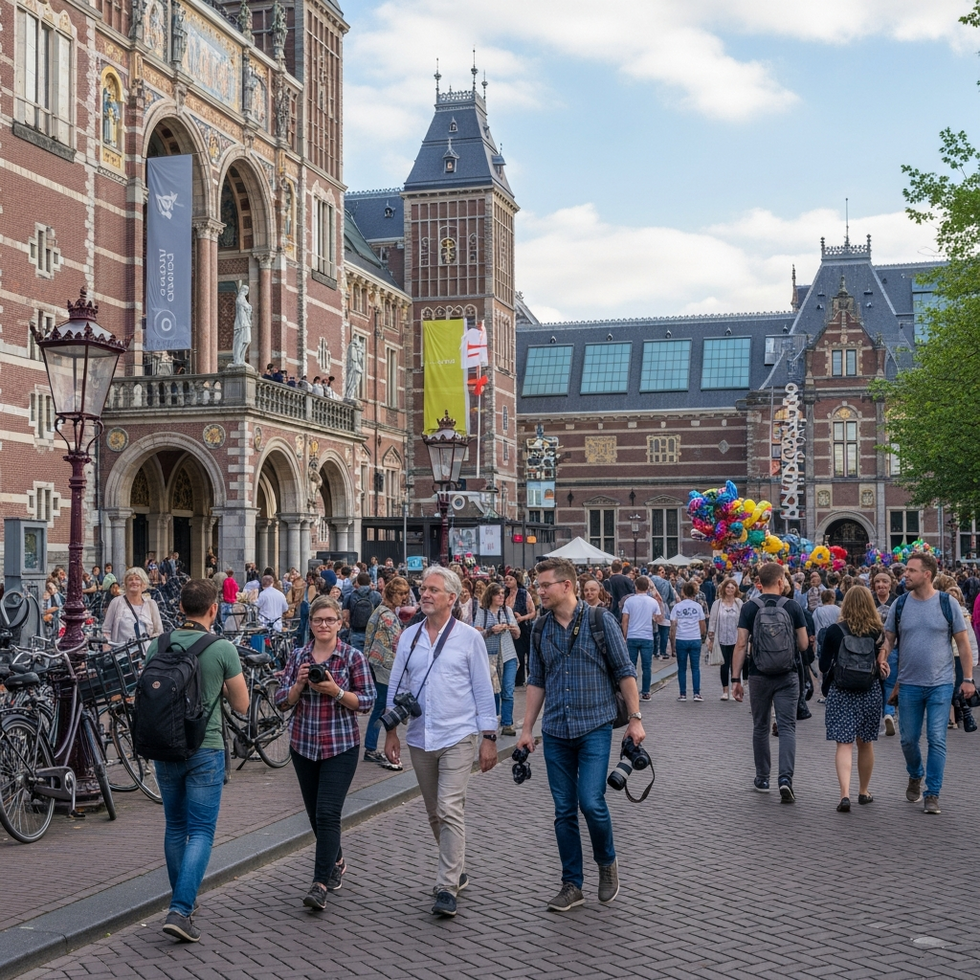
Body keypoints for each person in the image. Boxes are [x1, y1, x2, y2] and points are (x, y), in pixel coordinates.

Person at [517, 557, 643, 913]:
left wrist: (635, 719)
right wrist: (527, 729)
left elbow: (624, 671)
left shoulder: (600, 621)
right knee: (563, 810)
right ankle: (572, 883)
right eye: (537, 585)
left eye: (545, 586)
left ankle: (607, 861)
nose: (539, 591)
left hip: (594, 725)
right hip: (556, 729)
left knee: (591, 801)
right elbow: (536, 681)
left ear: (566, 586)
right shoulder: (540, 629)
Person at [383, 566, 498, 918]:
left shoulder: (469, 638)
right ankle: (456, 865)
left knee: (449, 807)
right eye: (423, 588)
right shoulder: (409, 636)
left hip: (458, 735)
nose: (425, 594)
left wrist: (489, 736)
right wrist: (389, 730)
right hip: (420, 736)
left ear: (452, 597)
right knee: (435, 812)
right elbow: (396, 685)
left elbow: (482, 689)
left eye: (433, 589)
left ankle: (446, 886)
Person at [153, 579, 249, 942]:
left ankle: (185, 902)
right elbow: (241, 706)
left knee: (175, 826)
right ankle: (180, 908)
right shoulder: (222, 648)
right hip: (205, 747)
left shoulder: (158, 644)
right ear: (214, 608)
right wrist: (220, 685)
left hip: (165, 747)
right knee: (202, 831)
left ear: (180, 608)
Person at [275, 595, 375, 909]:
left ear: (339, 623)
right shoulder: (299, 656)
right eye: (318, 620)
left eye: (330, 620)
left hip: (340, 745)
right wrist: (297, 687)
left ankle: (319, 883)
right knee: (315, 815)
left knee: (327, 813)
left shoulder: (351, 657)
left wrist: (337, 692)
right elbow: (281, 701)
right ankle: (337, 858)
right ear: (312, 623)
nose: (323, 625)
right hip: (304, 744)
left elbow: (368, 701)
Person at [879, 552, 972, 814]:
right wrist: (883, 654)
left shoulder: (946, 603)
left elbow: (963, 644)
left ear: (927, 574)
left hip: (940, 684)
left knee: (937, 738)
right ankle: (915, 773)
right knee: (908, 739)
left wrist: (967, 679)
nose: (905, 574)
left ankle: (932, 793)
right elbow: (889, 638)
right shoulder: (900, 605)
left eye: (911, 570)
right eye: (905, 570)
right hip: (908, 684)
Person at [732, 561, 810, 801]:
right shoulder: (793, 606)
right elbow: (804, 644)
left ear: (759, 583)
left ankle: (762, 778)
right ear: (779, 582)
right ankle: (785, 778)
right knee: (787, 728)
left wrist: (736, 678)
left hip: (758, 674)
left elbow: (741, 644)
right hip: (787, 675)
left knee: (760, 726)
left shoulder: (749, 608)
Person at [818, 586, 885, 812]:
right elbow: (880, 663)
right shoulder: (877, 631)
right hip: (869, 691)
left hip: (842, 691)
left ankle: (844, 794)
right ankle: (863, 792)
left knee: (844, 744)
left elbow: (823, 665)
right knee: (865, 743)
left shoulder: (835, 631)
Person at [362, 577, 410, 770]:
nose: (404, 598)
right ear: (391, 594)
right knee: (383, 705)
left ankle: (372, 746)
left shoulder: (382, 611)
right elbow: (396, 641)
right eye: (401, 594)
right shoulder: (387, 615)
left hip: (377, 662)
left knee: (382, 704)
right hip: (383, 664)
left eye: (406, 594)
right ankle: (371, 748)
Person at [474, 583, 520, 735]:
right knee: (494, 690)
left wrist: (513, 629)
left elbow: (517, 634)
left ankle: (507, 723)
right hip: (490, 656)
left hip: (508, 654)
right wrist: (491, 630)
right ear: (491, 596)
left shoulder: (507, 611)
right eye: (498, 593)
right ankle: (492, 721)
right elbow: (477, 634)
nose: (501, 596)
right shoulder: (483, 612)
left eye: (503, 593)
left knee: (508, 689)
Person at [621, 576, 662, 702]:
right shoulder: (653, 602)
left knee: (631, 666)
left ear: (636, 586)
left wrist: (624, 636)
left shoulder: (629, 601)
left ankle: (631, 692)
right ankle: (646, 692)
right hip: (647, 637)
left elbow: (625, 620)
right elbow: (659, 619)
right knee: (647, 666)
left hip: (632, 636)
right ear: (647, 588)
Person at [102, 566, 164, 646]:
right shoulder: (116, 602)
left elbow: (159, 632)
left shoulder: (151, 604)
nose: (134, 582)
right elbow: (106, 631)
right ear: (126, 583)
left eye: (137, 579)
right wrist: (107, 653)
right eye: (130, 579)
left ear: (143, 583)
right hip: (122, 654)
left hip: (146, 654)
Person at [707, 577, 743, 700]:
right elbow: (712, 621)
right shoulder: (717, 604)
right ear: (724, 588)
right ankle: (725, 691)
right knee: (724, 664)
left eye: (732, 588)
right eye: (728, 587)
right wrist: (710, 638)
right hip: (721, 638)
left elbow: (743, 621)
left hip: (736, 638)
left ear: (735, 590)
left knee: (735, 665)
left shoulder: (739, 603)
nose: (730, 590)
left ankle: (734, 689)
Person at [670, 580, 706, 702]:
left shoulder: (677, 607)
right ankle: (696, 693)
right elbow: (702, 624)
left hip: (681, 638)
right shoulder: (698, 607)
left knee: (682, 668)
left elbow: (673, 625)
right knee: (695, 667)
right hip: (695, 638)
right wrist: (701, 635)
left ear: (683, 592)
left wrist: (672, 642)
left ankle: (683, 694)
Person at [504, 570, 536, 688]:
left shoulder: (523, 593)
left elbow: (533, 612)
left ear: (516, 581)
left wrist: (522, 618)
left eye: (510, 579)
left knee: (525, 652)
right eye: (506, 579)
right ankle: (518, 679)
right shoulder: (505, 594)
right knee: (515, 653)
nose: (507, 581)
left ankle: (530, 677)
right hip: (509, 628)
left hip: (523, 627)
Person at [342, 571, 381, 653]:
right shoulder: (377, 595)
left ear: (357, 582)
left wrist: (349, 627)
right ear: (370, 582)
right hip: (372, 633)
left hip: (355, 632)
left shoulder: (349, 596)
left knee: (356, 657)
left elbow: (345, 617)